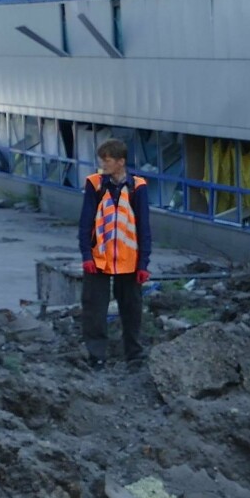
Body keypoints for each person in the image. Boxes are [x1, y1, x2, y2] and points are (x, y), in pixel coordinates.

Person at [79, 138, 151, 368]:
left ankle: (134, 355)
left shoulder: (138, 187)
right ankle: (97, 356)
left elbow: (144, 228)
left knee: (132, 310)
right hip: (99, 259)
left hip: (129, 261)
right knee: (94, 310)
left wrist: (143, 264)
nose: (103, 165)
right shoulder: (95, 184)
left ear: (121, 162)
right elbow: (85, 223)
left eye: (107, 160)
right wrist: (87, 256)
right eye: (102, 160)